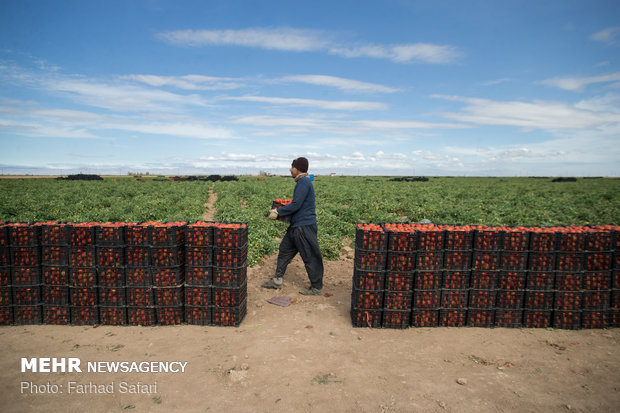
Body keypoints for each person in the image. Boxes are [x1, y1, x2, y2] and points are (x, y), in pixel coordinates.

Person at [262, 157, 324, 295]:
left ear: (298, 168)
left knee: (310, 256)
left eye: (292, 167)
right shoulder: (303, 182)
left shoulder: (303, 182)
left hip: (304, 226)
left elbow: (296, 205)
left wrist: (278, 211)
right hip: (296, 226)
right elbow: (297, 203)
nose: (290, 169)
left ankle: (316, 288)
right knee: (284, 250)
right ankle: (277, 280)